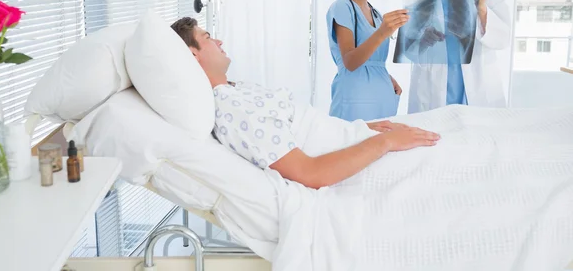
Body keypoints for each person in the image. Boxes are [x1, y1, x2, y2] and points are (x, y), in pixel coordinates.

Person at [171, 17, 440, 189]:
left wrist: (364, 129)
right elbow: (310, 173)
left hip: (356, 138)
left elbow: (305, 129)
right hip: (364, 157)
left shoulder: (235, 89)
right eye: (207, 37)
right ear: (193, 54)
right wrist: (386, 142)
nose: (218, 41)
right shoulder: (232, 109)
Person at [326, 0, 409, 122]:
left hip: (382, 101)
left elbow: (372, 60)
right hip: (356, 103)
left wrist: (386, 77)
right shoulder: (343, 7)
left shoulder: (376, 14)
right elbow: (350, 61)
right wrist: (382, 32)